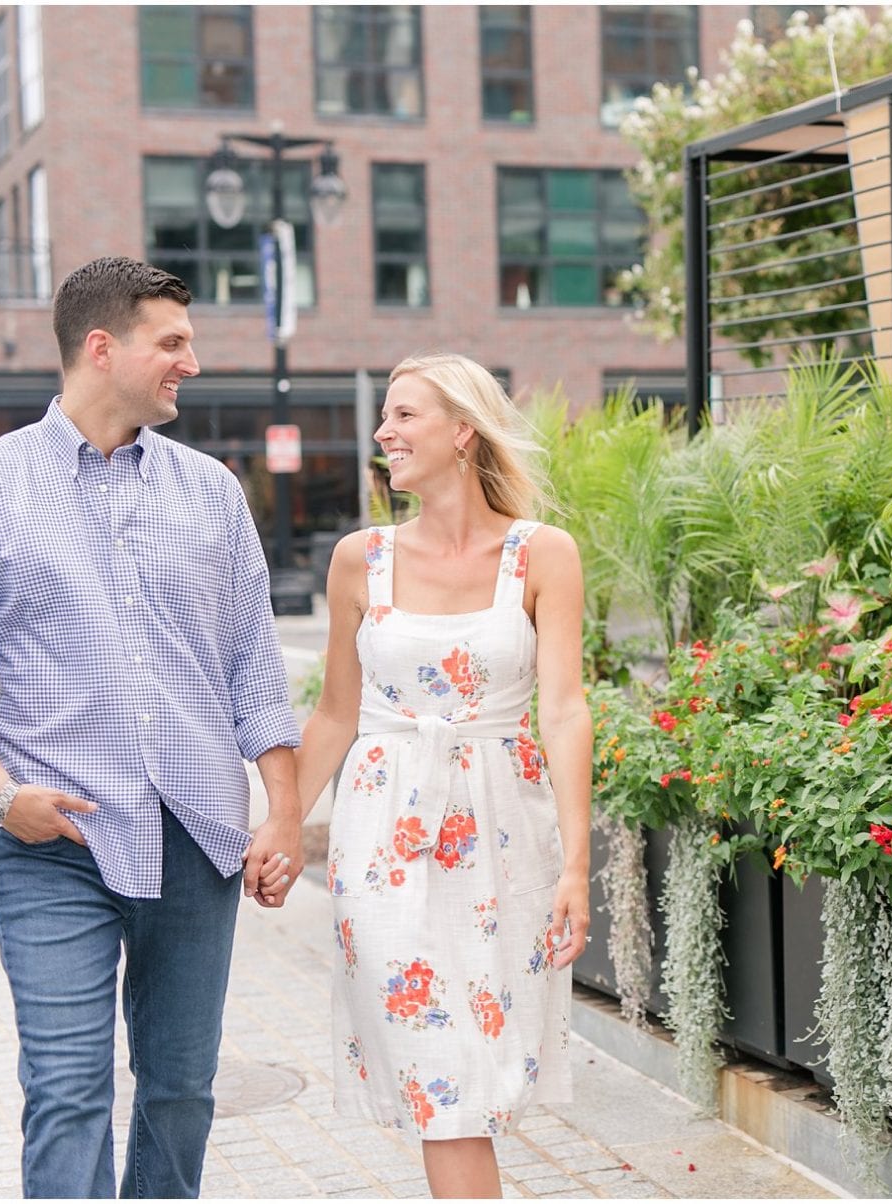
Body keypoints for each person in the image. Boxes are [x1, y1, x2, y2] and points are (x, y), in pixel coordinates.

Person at [0, 256, 304, 1199]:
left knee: (179, 1092)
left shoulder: (211, 493)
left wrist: (280, 814)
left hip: (197, 840)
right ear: (101, 347)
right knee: (67, 1092)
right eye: (171, 343)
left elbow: (253, 665)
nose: (190, 364)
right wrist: (1, 799)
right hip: (55, 842)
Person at [294, 353, 592, 1199]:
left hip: (504, 835)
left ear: (464, 430)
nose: (383, 433)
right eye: (384, 418)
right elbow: (334, 715)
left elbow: (564, 710)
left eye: (403, 415)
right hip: (384, 838)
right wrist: (280, 826)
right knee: (440, 1070)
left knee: (483, 1064)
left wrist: (575, 866)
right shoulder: (361, 559)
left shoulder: (543, 555)